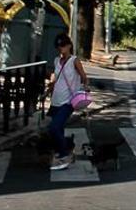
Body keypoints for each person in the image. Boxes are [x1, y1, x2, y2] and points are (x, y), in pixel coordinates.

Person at [47, 33, 88, 171]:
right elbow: (55, 77)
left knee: (54, 127)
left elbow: (83, 76)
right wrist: (49, 88)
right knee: (58, 129)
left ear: (69, 45)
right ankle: (65, 150)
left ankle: (64, 155)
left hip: (68, 101)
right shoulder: (56, 61)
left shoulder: (74, 61)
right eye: (58, 46)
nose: (60, 48)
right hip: (56, 100)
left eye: (63, 45)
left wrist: (84, 87)